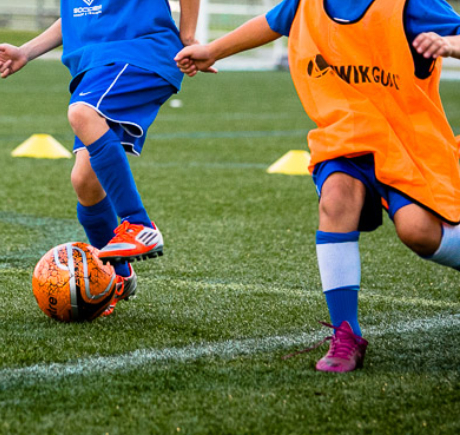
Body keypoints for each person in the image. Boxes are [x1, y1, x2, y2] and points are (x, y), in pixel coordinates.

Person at [175, 0, 460, 372]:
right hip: (344, 139)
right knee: (336, 197)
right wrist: (211, 50)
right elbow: (271, 22)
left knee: (418, 232)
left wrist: (452, 44)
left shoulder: (408, 4)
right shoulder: (305, 4)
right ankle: (346, 333)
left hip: (408, 144)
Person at [0, 0, 202, 315]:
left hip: (137, 52)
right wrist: (26, 51)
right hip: (96, 66)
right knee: (85, 181)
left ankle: (138, 224)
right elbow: (77, 18)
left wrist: (188, 36)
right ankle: (118, 276)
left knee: (83, 113)